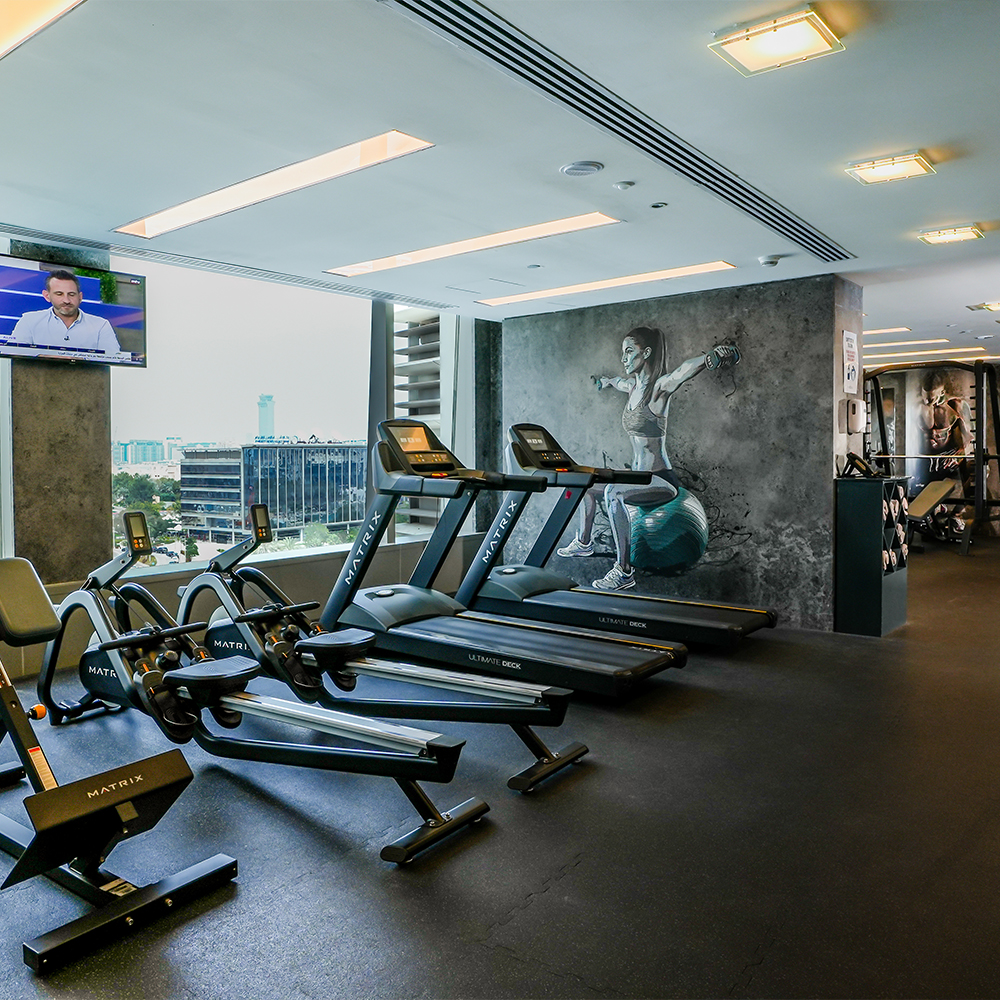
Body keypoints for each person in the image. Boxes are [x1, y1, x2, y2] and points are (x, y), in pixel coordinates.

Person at [556, 326, 738, 591]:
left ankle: (623, 571)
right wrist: (604, 382)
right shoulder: (632, 387)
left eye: (629, 351)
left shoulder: (659, 389)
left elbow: (682, 372)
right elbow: (616, 381)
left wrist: (711, 357)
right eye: (623, 352)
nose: (624, 358)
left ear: (647, 352)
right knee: (585, 482)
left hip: (660, 480)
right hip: (637, 477)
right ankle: (584, 543)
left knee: (614, 494)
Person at [11, 269, 122, 354]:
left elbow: (114, 359)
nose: (66, 300)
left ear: (80, 297)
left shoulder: (101, 325)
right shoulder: (29, 321)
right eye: (59, 294)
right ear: (47, 296)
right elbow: (14, 354)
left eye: (71, 294)